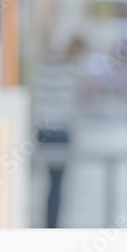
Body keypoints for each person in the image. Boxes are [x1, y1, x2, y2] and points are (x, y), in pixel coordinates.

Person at [33, 37, 85, 228]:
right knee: (56, 185)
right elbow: (70, 107)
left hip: (42, 132)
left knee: (47, 183)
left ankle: (48, 223)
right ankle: (52, 225)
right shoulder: (69, 72)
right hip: (60, 133)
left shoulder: (44, 68)